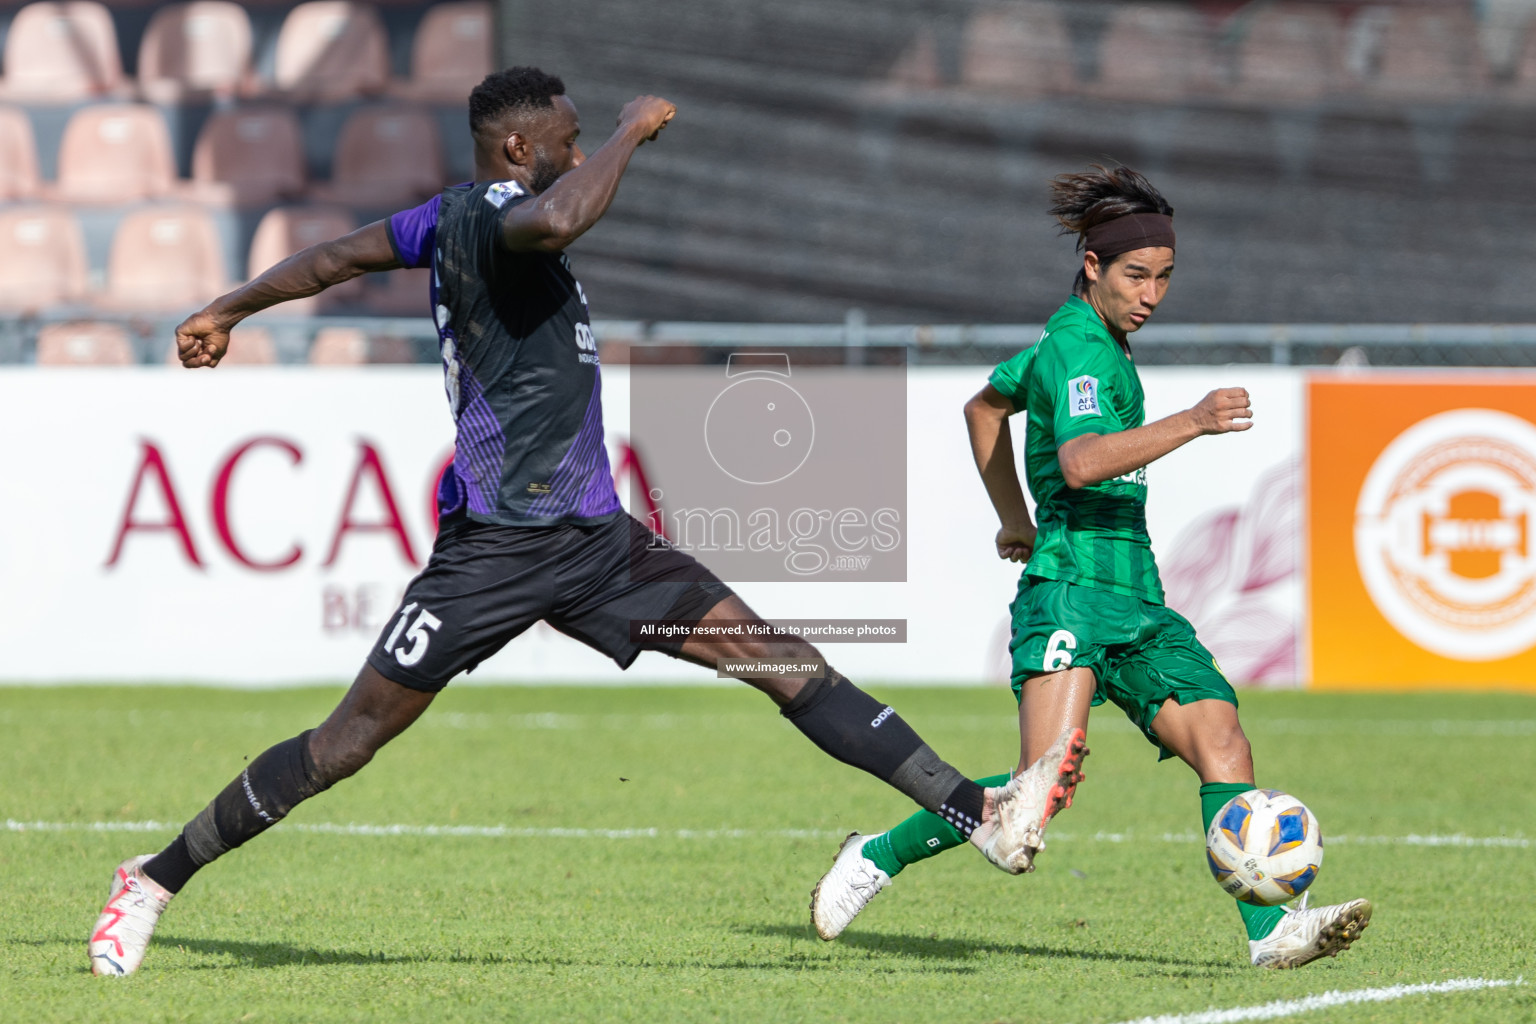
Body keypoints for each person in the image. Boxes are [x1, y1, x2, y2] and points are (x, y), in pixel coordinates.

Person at [87, 67, 1084, 977]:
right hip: (493, 553)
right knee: (346, 742)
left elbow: (334, 257)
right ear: (520, 150)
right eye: (562, 138)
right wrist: (628, 131)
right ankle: (155, 877)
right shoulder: (495, 217)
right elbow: (558, 220)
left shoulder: (445, 219)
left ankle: (979, 813)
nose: (574, 150)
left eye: (578, 138)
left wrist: (230, 306)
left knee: (783, 663)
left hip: (601, 548)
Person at [808, 164, 1371, 970]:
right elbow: (1079, 461)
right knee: (1033, 798)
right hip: (1070, 587)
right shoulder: (1077, 347)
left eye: (1165, 278)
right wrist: (1194, 421)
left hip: (1137, 593)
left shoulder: (1078, 341)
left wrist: (1011, 515)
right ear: (1092, 267)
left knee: (1223, 743)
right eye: (1135, 276)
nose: (1151, 295)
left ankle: (1272, 933)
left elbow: (985, 406)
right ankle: (875, 856)